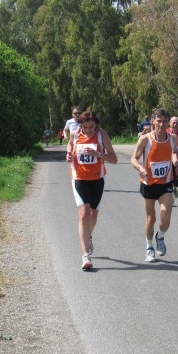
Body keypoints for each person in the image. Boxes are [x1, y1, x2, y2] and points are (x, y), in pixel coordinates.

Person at [131, 108, 178, 263]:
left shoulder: (172, 138)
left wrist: (176, 167)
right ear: (153, 121)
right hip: (148, 183)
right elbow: (133, 158)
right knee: (151, 218)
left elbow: (174, 153)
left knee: (166, 216)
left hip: (165, 182)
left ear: (168, 122)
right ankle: (149, 247)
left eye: (164, 121)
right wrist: (141, 168)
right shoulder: (145, 139)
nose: (161, 124)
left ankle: (160, 236)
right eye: (158, 121)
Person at [66, 111, 118, 270]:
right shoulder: (75, 134)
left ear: (96, 125)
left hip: (97, 179)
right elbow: (70, 144)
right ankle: (85, 256)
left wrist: (98, 154)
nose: (88, 130)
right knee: (84, 214)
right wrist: (68, 153)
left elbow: (114, 159)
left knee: (93, 215)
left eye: (91, 127)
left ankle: (88, 236)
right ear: (80, 125)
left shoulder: (102, 135)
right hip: (79, 178)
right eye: (85, 127)